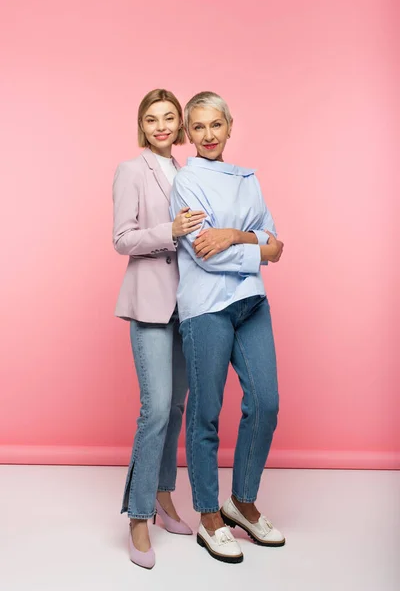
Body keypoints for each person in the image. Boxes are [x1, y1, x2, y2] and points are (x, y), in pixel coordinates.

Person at [170, 91, 285, 564]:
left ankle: (240, 502)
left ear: (229, 126)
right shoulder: (186, 182)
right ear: (188, 134)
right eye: (198, 127)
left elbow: (275, 245)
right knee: (207, 413)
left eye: (216, 124)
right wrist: (253, 244)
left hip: (251, 303)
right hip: (207, 308)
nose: (209, 135)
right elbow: (203, 252)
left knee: (266, 403)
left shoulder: (248, 179)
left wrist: (236, 235)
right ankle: (208, 516)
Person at [112, 89, 206, 569]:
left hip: (188, 305)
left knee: (177, 405)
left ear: (181, 125)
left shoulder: (190, 172)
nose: (163, 126)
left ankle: (166, 496)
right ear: (143, 127)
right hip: (149, 303)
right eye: (153, 119)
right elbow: (122, 237)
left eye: (170, 118)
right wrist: (170, 230)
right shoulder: (132, 170)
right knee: (155, 410)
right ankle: (138, 515)